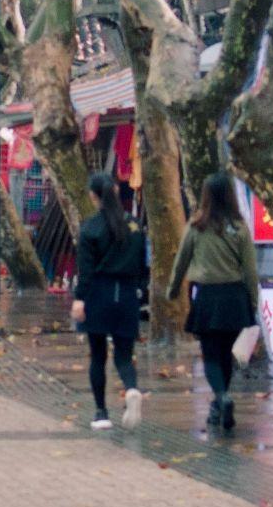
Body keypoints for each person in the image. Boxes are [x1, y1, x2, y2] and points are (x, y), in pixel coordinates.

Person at [166, 172, 259, 436]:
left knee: (210, 354)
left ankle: (221, 397)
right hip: (235, 297)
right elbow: (250, 270)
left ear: (205, 196)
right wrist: (252, 301)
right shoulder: (240, 228)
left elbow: (181, 261)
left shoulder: (196, 227)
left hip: (208, 296)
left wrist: (172, 290)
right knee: (226, 353)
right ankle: (220, 402)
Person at [74, 171, 149, 430]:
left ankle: (101, 413)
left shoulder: (90, 228)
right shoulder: (135, 226)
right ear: (116, 191)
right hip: (127, 294)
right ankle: (131, 388)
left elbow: (85, 270)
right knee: (125, 355)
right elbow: (143, 265)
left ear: (93, 196)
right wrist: (140, 290)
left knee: (98, 355)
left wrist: (79, 299)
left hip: (98, 294)